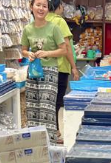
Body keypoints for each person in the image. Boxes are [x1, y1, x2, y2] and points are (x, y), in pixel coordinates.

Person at [22, 0, 68, 142]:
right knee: (32, 107)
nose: (41, 8)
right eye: (38, 5)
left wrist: (46, 53)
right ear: (31, 7)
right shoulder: (27, 29)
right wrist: (27, 54)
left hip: (50, 72)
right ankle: (35, 144)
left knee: (47, 108)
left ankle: (50, 143)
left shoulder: (54, 28)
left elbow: (64, 50)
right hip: (33, 71)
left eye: (44, 6)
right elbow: (23, 50)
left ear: (48, 9)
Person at [46, 0, 80, 139]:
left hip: (45, 66)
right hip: (60, 66)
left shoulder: (42, 20)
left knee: (47, 101)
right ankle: (55, 132)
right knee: (57, 101)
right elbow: (66, 47)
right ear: (59, 7)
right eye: (62, 6)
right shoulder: (59, 22)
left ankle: (50, 131)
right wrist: (73, 67)